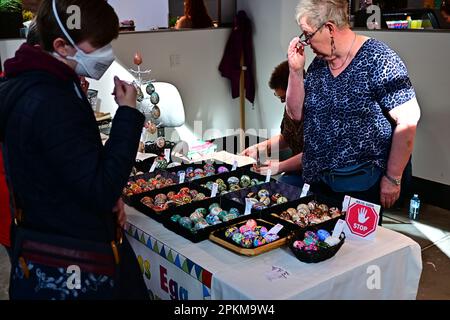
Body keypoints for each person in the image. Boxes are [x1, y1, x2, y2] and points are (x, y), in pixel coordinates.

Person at [0, 0, 147, 299]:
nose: (108, 53)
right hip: (73, 260)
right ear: (62, 46)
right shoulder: (50, 99)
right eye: (101, 44)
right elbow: (101, 188)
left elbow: (68, 172)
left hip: (45, 242)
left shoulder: (32, 83)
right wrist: (128, 113)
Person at [286, 0, 420, 223]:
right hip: (319, 178)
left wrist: (393, 178)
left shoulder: (378, 58)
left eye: (307, 34)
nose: (305, 42)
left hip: (361, 182)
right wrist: (295, 71)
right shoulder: (320, 64)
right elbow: (295, 114)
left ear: (329, 28)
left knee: (356, 249)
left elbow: (408, 119)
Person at [241, 61, 305, 187]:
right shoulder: (289, 108)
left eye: (284, 98)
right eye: (279, 97)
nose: (283, 102)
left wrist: (279, 167)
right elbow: (287, 137)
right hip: (298, 171)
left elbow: (313, 155)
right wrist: (260, 148)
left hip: (318, 176)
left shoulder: (318, 111)